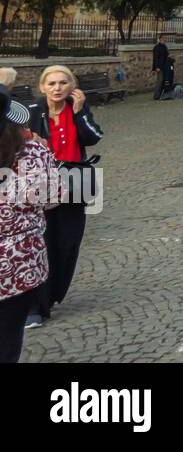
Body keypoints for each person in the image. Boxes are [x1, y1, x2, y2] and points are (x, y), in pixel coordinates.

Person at [25, 65, 104, 329]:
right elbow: (14, 144)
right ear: (42, 87)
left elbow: (93, 138)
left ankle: (54, 293)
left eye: (63, 83)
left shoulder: (77, 109)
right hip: (39, 187)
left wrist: (81, 113)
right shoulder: (32, 114)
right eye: (52, 83)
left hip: (73, 185)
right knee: (42, 244)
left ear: (71, 87)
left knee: (68, 244)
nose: (57, 88)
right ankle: (37, 305)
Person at [0, 90, 53, 363]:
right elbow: (54, 199)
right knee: (7, 339)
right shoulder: (33, 150)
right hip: (19, 265)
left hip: (17, 264)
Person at [151, 34, 175, 100]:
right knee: (160, 80)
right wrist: (156, 67)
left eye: (165, 38)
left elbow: (166, 55)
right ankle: (156, 95)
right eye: (164, 38)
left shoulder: (164, 46)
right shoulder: (157, 47)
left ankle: (161, 94)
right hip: (159, 66)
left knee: (163, 80)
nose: (165, 39)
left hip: (165, 66)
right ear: (160, 39)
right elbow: (155, 58)